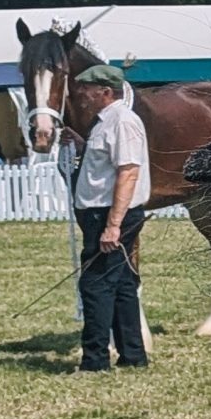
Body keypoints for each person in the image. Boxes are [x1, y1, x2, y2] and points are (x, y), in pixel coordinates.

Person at [71, 64, 151, 372]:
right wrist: (80, 145)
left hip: (110, 214)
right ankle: (133, 354)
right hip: (104, 212)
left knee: (95, 284)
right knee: (121, 284)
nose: (82, 95)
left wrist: (113, 225)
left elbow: (128, 172)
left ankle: (95, 360)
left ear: (106, 92)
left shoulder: (121, 122)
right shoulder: (104, 123)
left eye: (88, 90)